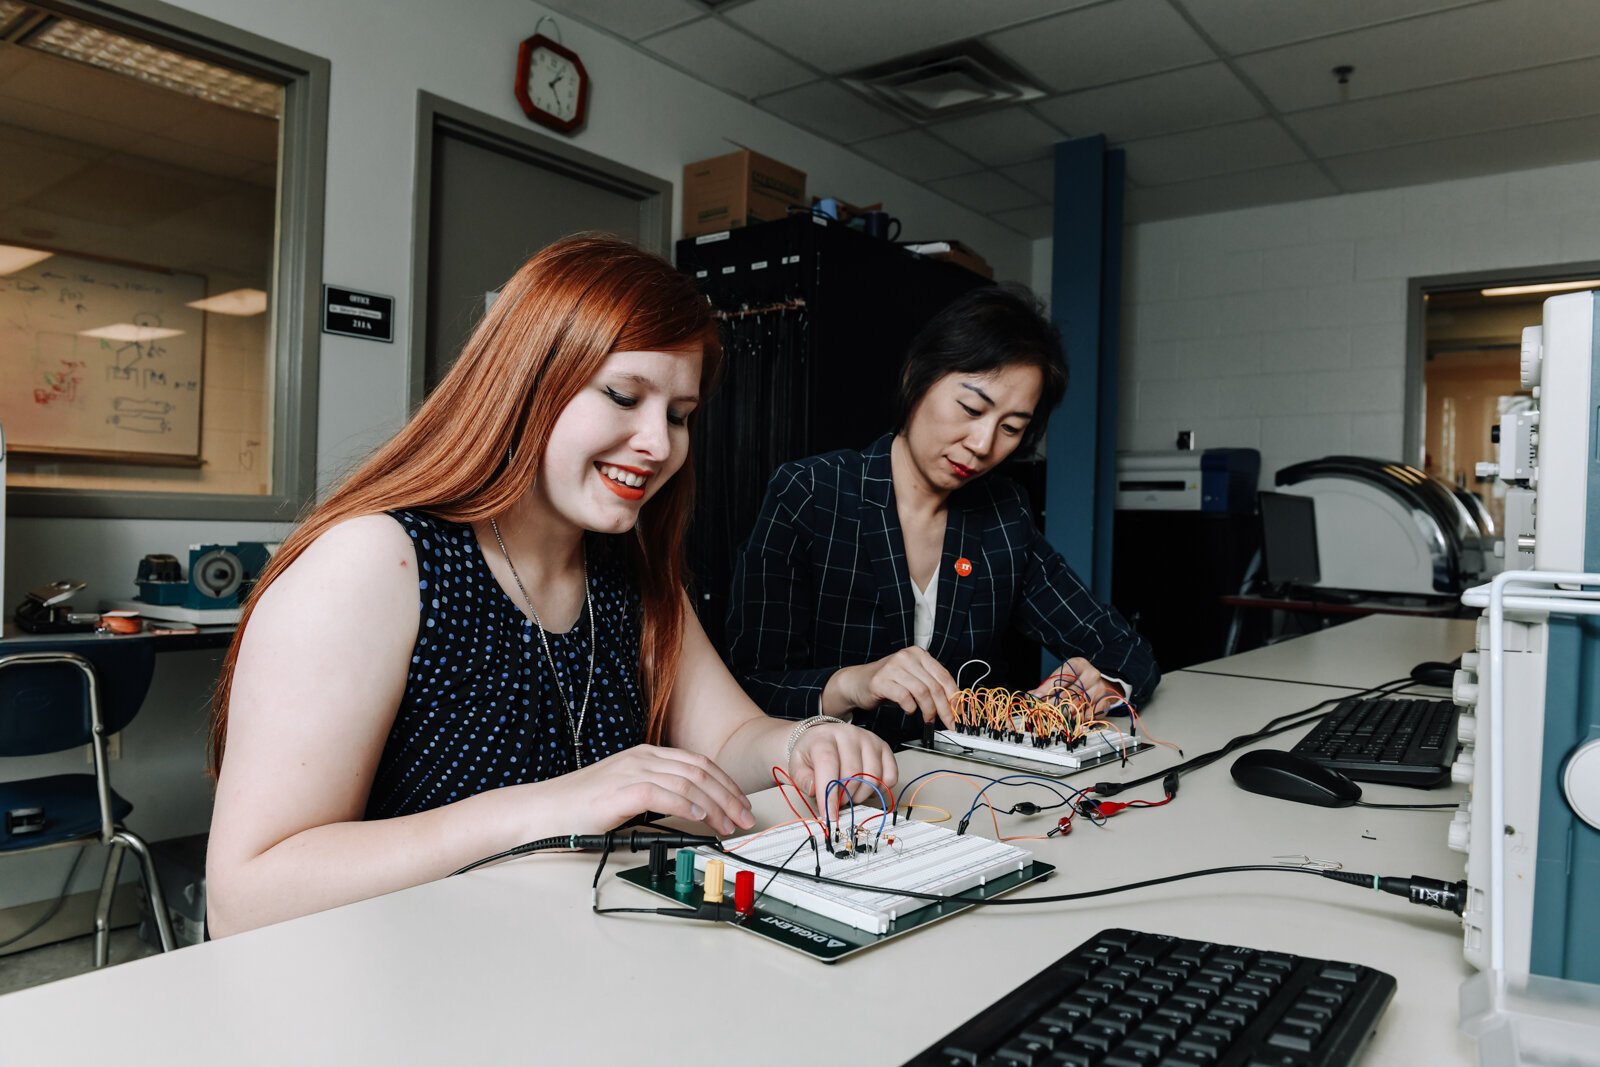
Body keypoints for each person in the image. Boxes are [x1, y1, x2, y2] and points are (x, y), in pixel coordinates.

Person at [206, 235, 895, 936]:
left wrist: (805, 741)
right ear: (526, 381)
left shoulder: (627, 569)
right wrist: (547, 808)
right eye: (625, 396)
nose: (659, 443)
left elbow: (730, 736)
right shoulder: (377, 560)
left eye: (679, 414)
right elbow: (246, 895)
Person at [725, 284, 1159, 744]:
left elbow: (1125, 649)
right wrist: (854, 683)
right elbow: (752, 683)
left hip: (969, 785)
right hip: (829, 790)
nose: (984, 445)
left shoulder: (1003, 514)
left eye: (1011, 428)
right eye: (971, 408)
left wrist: (1103, 684)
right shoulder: (810, 494)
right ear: (918, 376)